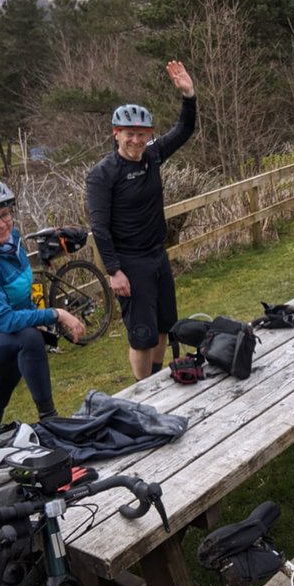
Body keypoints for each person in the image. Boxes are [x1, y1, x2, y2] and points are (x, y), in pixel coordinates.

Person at [86, 60, 196, 381]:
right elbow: (100, 228)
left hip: (157, 256)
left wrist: (188, 97)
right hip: (130, 263)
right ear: (116, 134)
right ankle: (142, 390)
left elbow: (184, 130)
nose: (136, 141)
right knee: (142, 333)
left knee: (164, 326)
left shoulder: (152, 156)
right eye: (130, 134)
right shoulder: (102, 175)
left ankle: (158, 381)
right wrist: (114, 271)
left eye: (143, 134)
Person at [0, 180, 85, 439]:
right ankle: (51, 420)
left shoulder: (11, 241)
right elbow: (2, 319)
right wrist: (55, 313)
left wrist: (32, 316)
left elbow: (21, 296)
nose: (2, 224)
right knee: (29, 339)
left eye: (5, 214)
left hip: (5, 337)